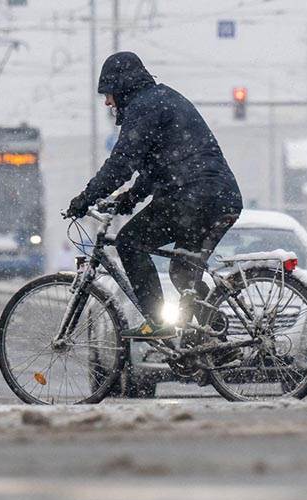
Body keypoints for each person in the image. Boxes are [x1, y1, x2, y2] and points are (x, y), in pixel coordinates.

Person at [66, 52, 243, 339]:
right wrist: (131, 197)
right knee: (183, 272)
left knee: (130, 242)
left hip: (193, 197)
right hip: (217, 196)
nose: (107, 102)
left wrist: (85, 198)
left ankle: (158, 322)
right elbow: (161, 166)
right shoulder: (160, 100)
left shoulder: (144, 107)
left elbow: (121, 163)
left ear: (122, 87)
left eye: (109, 94)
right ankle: (217, 340)